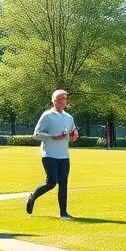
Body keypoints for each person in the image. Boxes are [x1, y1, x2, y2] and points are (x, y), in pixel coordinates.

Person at [25, 89, 78, 219]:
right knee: (51, 182)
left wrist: (74, 136)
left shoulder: (69, 117)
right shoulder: (47, 115)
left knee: (63, 184)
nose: (62, 102)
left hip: (64, 155)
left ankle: (63, 213)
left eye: (64, 99)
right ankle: (32, 196)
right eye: (59, 99)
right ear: (54, 101)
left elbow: (72, 133)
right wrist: (52, 136)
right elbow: (36, 134)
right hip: (49, 154)